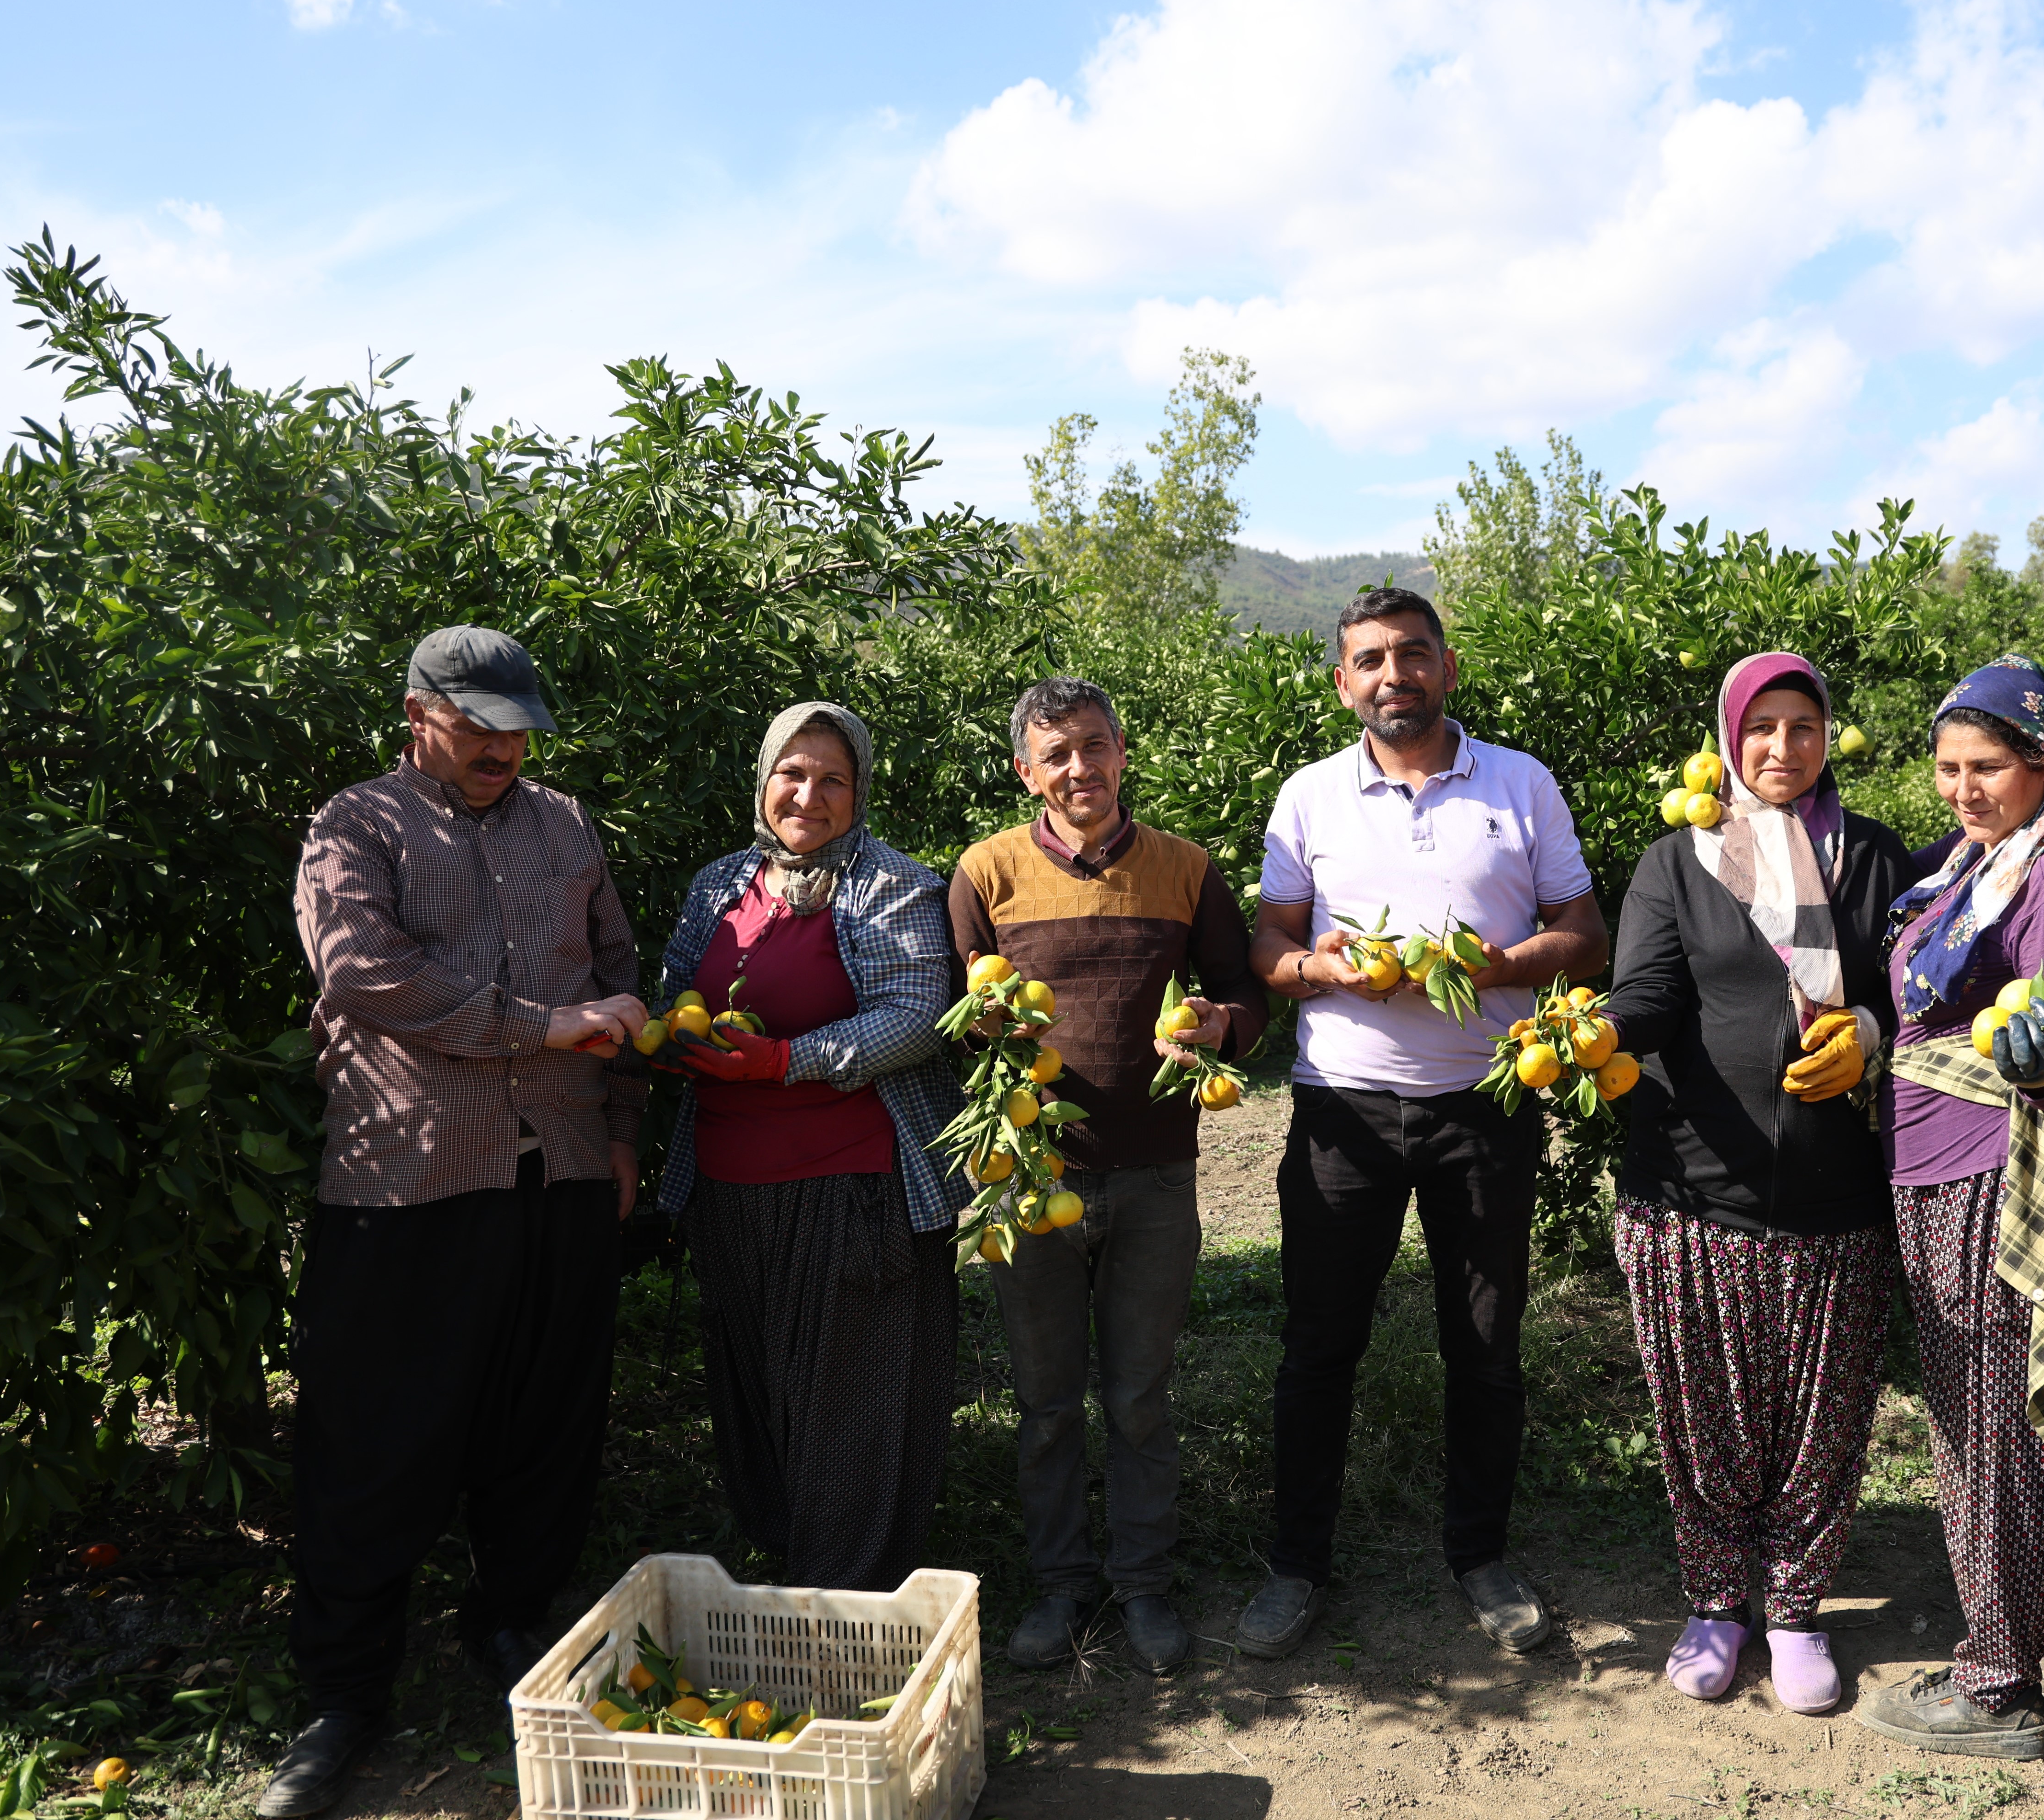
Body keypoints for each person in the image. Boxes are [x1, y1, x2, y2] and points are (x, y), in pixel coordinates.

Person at [271, 626, 649, 1818]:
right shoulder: (358, 825)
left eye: (515, 723)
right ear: (417, 713)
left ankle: (509, 1625)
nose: (501, 744)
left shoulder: (567, 825)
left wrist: (626, 1127)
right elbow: (359, 969)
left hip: (565, 1171)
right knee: (377, 1436)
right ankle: (345, 1692)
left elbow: (618, 967)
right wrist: (536, 1028)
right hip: (411, 1181)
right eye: (476, 722)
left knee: (544, 1418)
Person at [1237, 586, 1608, 1660]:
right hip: (1342, 1113)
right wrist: (1320, 969)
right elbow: (1270, 943)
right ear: (1343, 680)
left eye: (1412, 655)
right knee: (1318, 1345)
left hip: (1484, 1102)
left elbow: (1583, 932)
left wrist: (1502, 967)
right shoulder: (1309, 795)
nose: (1392, 675)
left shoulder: (1520, 782)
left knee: (1486, 1347)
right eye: (1370, 660)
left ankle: (1481, 1554)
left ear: (1446, 667)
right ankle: (1296, 1564)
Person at [1602, 651, 1910, 1718]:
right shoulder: (1681, 860)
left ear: (1830, 737)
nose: (1784, 748)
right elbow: (1646, 991)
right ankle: (1717, 1602)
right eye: (1763, 727)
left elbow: (1915, 996)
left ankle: (1795, 1608)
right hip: (1693, 1188)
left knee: (1823, 1418)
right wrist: (1597, 1029)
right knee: (1707, 1415)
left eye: (1805, 726)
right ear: (1729, 737)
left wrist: (1869, 1032)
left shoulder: (1872, 858)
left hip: (1840, 1194)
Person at [947, 677, 1269, 1676]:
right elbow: (957, 1019)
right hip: (1031, 1179)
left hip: (1157, 1176)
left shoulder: (1183, 868)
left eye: (1095, 746)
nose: (1079, 769)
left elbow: (1244, 994)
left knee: (1139, 1393)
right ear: (1025, 771)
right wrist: (988, 1034)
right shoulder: (984, 872)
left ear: (1123, 752)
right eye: (1057, 754)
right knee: (1046, 1401)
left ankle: (1143, 1584)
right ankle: (1060, 1583)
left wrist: (1223, 1025)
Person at [1854, 655, 2044, 1761]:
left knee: (1997, 1432)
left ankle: (1998, 1680)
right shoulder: (1979, 863)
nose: (1963, 787)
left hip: (1990, 1179)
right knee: (2024, 1426)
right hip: (1935, 1169)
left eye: (1990, 766)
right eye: (1946, 765)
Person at [654, 701, 968, 1594]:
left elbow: (916, 1020)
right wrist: (668, 1039)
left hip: (849, 1189)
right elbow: (677, 988)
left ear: (860, 791)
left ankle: (850, 1603)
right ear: (763, 780)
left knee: (851, 1405)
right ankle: (788, 1572)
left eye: (834, 778)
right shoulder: (719, 883)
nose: (810, 794)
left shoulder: (894, 882)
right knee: (757, 1394)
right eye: (792, 772)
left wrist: (786, 1058)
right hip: (725, 1186)